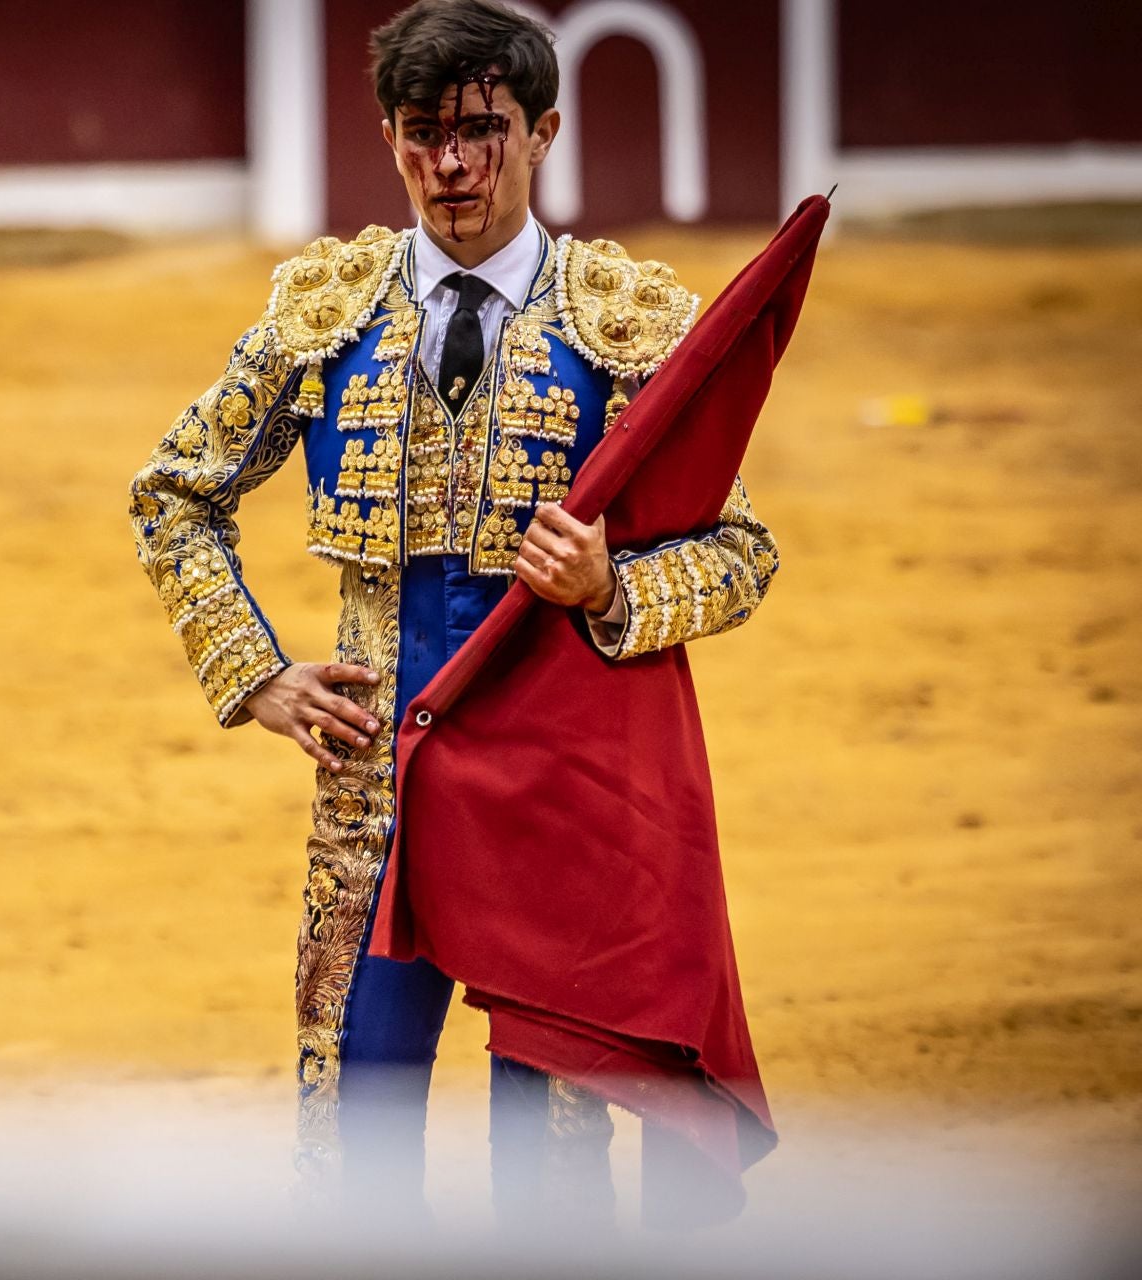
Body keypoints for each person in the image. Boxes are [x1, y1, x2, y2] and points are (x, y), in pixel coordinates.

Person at [129, 0, 777, 1228]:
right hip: (373, 779)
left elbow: (742, 551)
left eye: (481, 131)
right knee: (355, 1119)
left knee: (552, 1150)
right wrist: (255, 673)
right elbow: (171, 492)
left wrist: (614, 589)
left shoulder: (623, 323)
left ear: (543, 133)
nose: (452, 165)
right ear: (389, 138)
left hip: (553, 781)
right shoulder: (328, 312)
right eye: (424, 134)